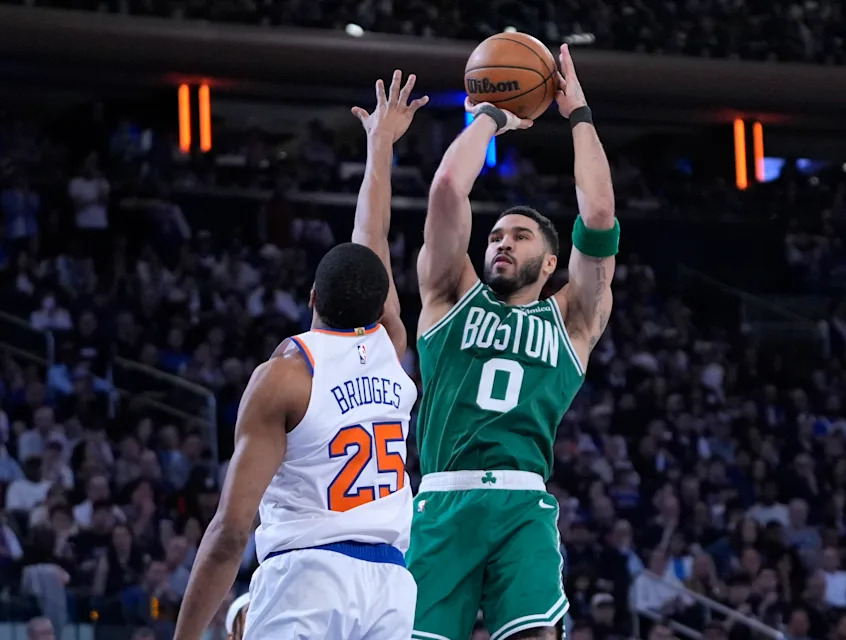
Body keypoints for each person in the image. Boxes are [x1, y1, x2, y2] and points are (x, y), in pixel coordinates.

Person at [172, 70, 427, 640]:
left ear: (312, 297)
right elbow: (372, 237)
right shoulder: (392, 345)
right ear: (383, 301)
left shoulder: (286, 377)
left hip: (307, 578)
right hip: (389, 588)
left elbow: (232, 532)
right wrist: (380, 147)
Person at [408, 44, 617, 640]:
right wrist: (493, 116)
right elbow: (449, 187)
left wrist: (578, 116)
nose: (501, 243)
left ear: (551, 261)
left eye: (519, 237)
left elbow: (599, 214)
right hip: (442, 502)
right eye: (495, 235)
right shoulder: (449, 296)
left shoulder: (574, 318)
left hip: (523, 503)